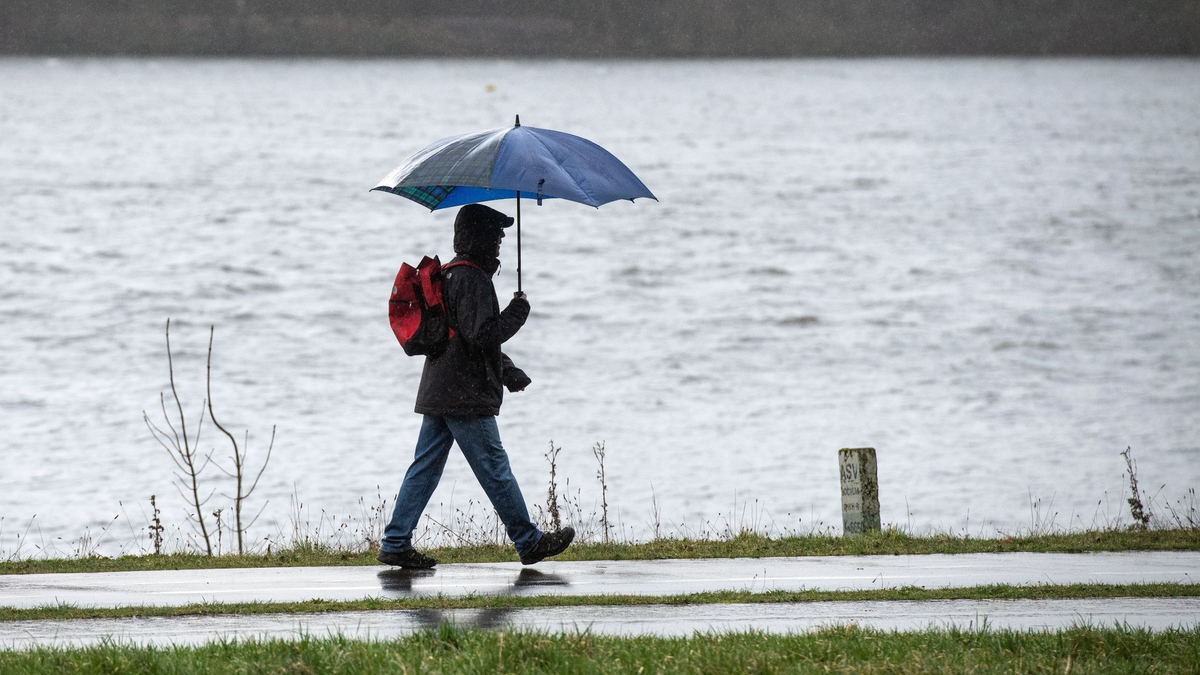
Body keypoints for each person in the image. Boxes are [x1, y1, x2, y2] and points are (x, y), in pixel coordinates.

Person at [378, 203, 575, 568]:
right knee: (494, 467)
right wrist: (516, 315)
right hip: (463, 395)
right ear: (477, 237)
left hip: (440, 388)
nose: (500, 240)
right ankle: (528, 541)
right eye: (495, 233)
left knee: (424, 467)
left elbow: (462, 340)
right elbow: (480, 335)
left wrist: (507, 369)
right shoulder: (473, 279)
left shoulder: (452, 275)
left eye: (502, 235)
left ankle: (395, 542)